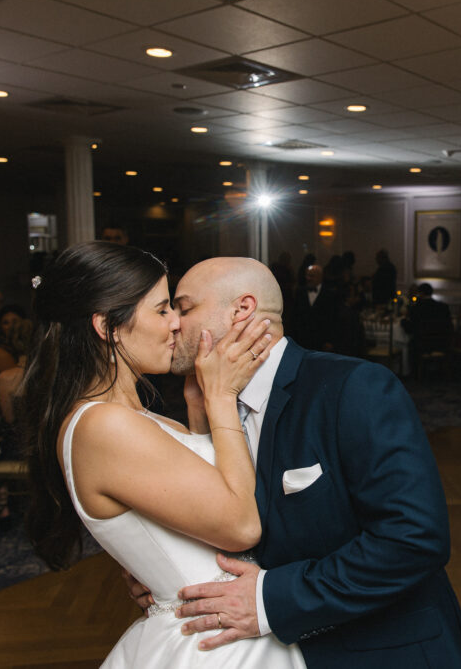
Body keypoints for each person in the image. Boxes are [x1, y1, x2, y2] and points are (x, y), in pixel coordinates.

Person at [129, 257, 461, 668]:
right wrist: (173, 573)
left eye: (184, 308)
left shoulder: (353, 388)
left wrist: (266, 600)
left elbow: (414, 539)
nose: (172, 323)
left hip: (382, 649)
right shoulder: (203, 406)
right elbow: (230, 526)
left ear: (242, 310)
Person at [21, 241, 303, 668]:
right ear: (108, 327)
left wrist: (197, 408)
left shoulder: (134, 417)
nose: (176, 324)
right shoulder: (102, 425)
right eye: (161, 310)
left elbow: (201, 489)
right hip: (215, 644)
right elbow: (242, 526)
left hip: (236, 619)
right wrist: (220, 397)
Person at [402, 282, 454, 373]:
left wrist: (403, 322)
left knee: (408, 343)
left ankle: (412, 371)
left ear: (421, 293)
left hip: (422, 344)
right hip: (441, 342)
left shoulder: (416, 308)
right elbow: (449, 325)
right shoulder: (443, 307)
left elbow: (411, 329)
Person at [287, 264, 339, 352]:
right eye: (307, 275)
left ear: (320, 277)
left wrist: (330, 341)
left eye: (311, 276)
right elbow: (294, 317)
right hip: (302, 340)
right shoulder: (299, 292)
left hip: (321, 341)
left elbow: (333, 319)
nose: (308, 278)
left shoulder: (330, 295)